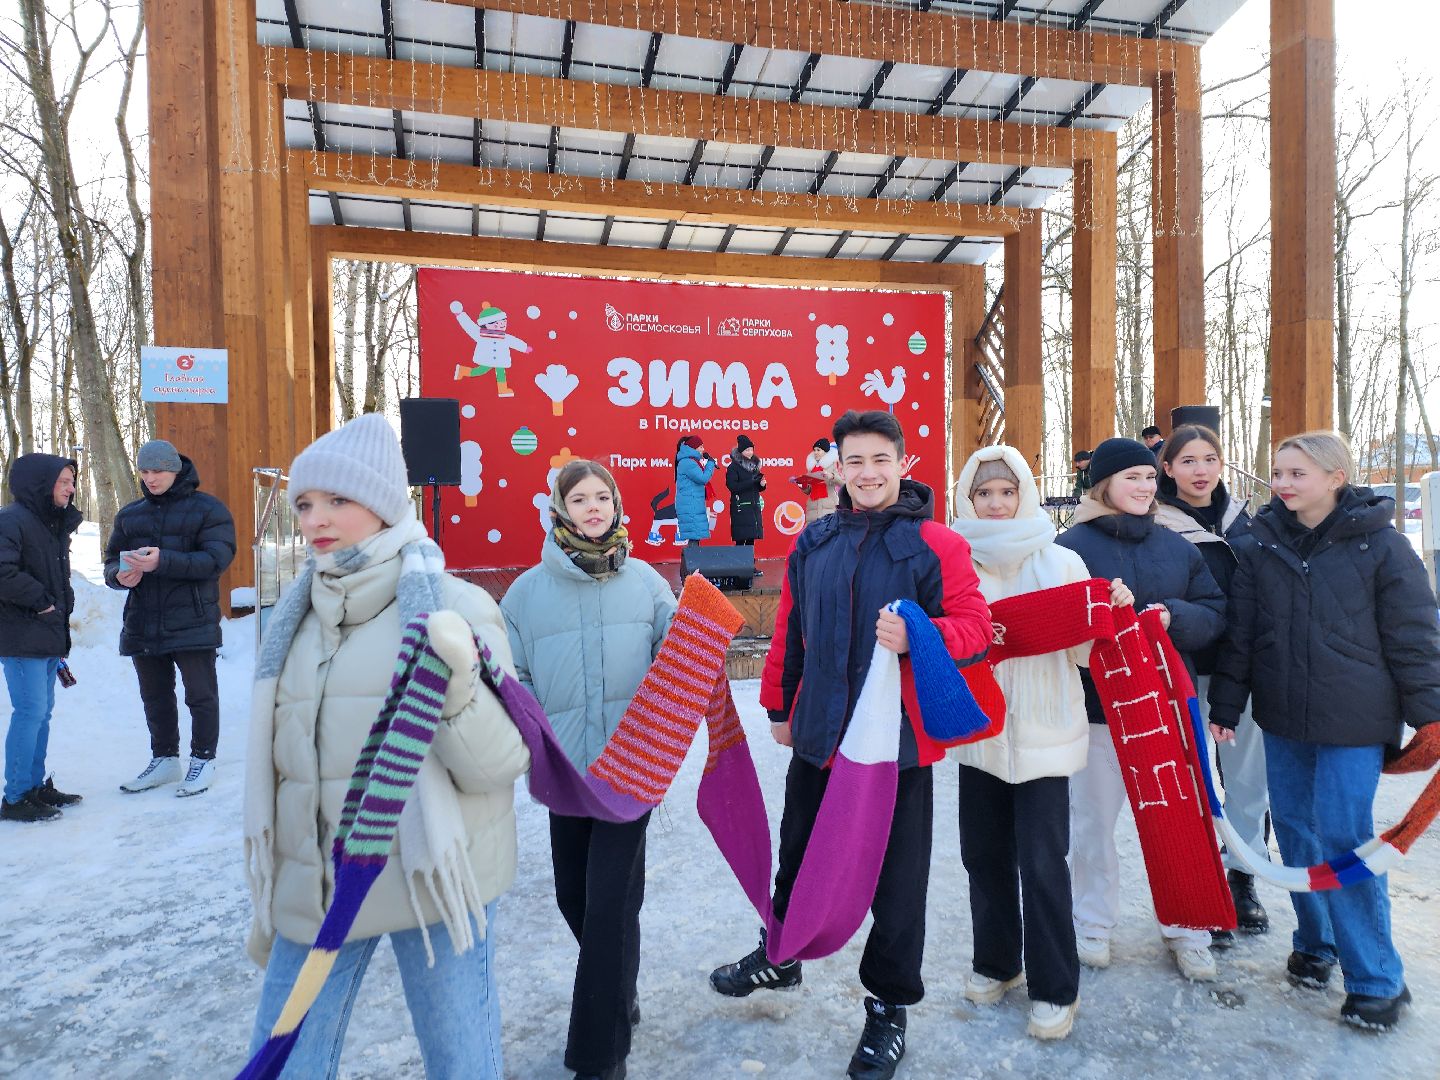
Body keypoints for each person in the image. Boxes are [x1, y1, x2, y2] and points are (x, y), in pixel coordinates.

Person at [243, 414, 531, 1077]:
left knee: (461, 1063)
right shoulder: (293, 621)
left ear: (384, 504)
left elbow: (502, 763)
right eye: (307, 503)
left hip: (432, 882)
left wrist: (457, 685)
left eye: (339, 500)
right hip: (319, 885)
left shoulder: (453, 607)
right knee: (284, 1063)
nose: (317, 518)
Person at [709, 410, 991, 1080]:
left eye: (878, 460)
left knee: (896, 883)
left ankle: (889, 1005)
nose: (866, 473)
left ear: (904, 463)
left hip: (896, 751)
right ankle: (781, 955)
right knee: (798, 860)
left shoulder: (938, 545)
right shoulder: (815, 541)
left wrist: (922, 634)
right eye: (853, 461)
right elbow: (792, 631)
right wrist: (779, 703)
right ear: (837, 466)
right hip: (819, 737)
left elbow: (977, 627)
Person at [1208, 431, 1440, 1032]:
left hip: (1354, 722)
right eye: (1278, 472)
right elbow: (1242, 636)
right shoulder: (1259, 544)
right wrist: (1227, 708)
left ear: (1336, 477)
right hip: (1284, 718)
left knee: (1342, 836)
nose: (1281, 483)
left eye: (1296, 473)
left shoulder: (1383, 548)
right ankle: (1318, 944)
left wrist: (1431, 714)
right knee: (1295, 832)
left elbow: (1415, 636)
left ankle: (1376, 979)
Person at [501, 459, 676, 1080]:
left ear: (618, 505)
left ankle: (600, 1056)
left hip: (632, 774)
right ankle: (619, 989)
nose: (594, 508)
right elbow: (514, 679)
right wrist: (533, 741)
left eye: (603, 497)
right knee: (578, 898)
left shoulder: (650, 586)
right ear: (560, 511)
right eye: (581, 500)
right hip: (566, 772)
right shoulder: (524, 594)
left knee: (606, 907)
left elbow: (675, 666)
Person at [1054, 437, 1225, 982]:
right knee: (1093, 826)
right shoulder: (1067, 548)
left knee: (1179, 825)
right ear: (1104, 483)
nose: (1146, 487)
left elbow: (1215, 613)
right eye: (1133, 478)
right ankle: (1093, 923)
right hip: (1096, 716)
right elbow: (1054, 621)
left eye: (1151, 478)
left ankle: (1188, 928)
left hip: (1167, 716)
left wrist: (1174, 615)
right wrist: (1094, 614)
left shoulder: (1178, 548)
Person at [951, 446, 1090, 1041]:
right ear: (968, 499)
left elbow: (1085, 655)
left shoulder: (1062, 564)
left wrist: (1105, 613)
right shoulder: (954, 566)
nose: (997, 503)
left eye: (1007, 491)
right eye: (985, 494)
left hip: (1044, 735)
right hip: (979, 738)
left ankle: (1056, 987)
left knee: (1042, 864)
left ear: (1026, 494)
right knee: (983, 858)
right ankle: (998, 962)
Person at [1154, 425, 1269, 940]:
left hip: (1243, 670)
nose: (1200, 470)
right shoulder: (1154, 523)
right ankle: (1202, 884)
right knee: (1194, 780)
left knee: (1247, 781)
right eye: (1188, 460)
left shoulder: (1248, 521)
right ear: (1168, 468)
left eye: (1210, 458)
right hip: (1183, 669)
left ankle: (1244, 876)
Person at [106, 440, 237, 797]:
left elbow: (215, 560)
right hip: (143, 621)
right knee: (155, 696)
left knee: (200, 695)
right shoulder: (130, 515)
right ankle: (164, 760)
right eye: (144, 471)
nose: (150, 478)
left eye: (157, 471)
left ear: (175, 470)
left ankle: (203, 759)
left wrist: (164, 560)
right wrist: (120, 574)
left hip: (192, 619)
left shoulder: (209, 510)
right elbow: (110, 562)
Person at [0, 454, 83, 823]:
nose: (71, 488)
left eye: (72, 481)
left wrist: (60, 606)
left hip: (46, 634)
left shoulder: (49, 524)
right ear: (41, 483)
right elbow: (2, 572)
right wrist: (43, 602)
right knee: (30, 712)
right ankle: (16, 796)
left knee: (42, 714)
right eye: (64, 481)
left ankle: (33, 785)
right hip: (20, 637)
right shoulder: (11, 521)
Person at [725, 435, 766, 547]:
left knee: (751, 538)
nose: (750, 452)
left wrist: (761, 484)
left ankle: (749, 563)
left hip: (753, 507)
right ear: (741, 451)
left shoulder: (754, 466)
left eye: (751, 450)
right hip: (740, 507)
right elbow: (732, 486)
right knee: (741, 538)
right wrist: (751, 481)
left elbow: (756, 486)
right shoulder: (733, 467)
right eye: (747, 450)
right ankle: (740, 563)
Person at [673, 435, 715, 545]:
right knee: (693, 536)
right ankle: (691, 561)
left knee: (695, 536)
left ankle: (692, 560)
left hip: (693, 503)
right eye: (700, 447)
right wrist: (710, 464)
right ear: (693, 448)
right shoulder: (688, 462)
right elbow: (703, 478)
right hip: (690, 505)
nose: (703, 450)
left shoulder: (690, 461)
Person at [802, 437, 841, 524]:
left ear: (825, 451)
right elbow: (808, 491)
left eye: (818, 450)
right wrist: (803, 485)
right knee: (811, 535)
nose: (815, 452)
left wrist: (831, 476)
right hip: (812, 509)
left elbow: (842, 482)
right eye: (814, 450)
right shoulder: (811, 468)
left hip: (828, 509)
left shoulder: (832, 465)